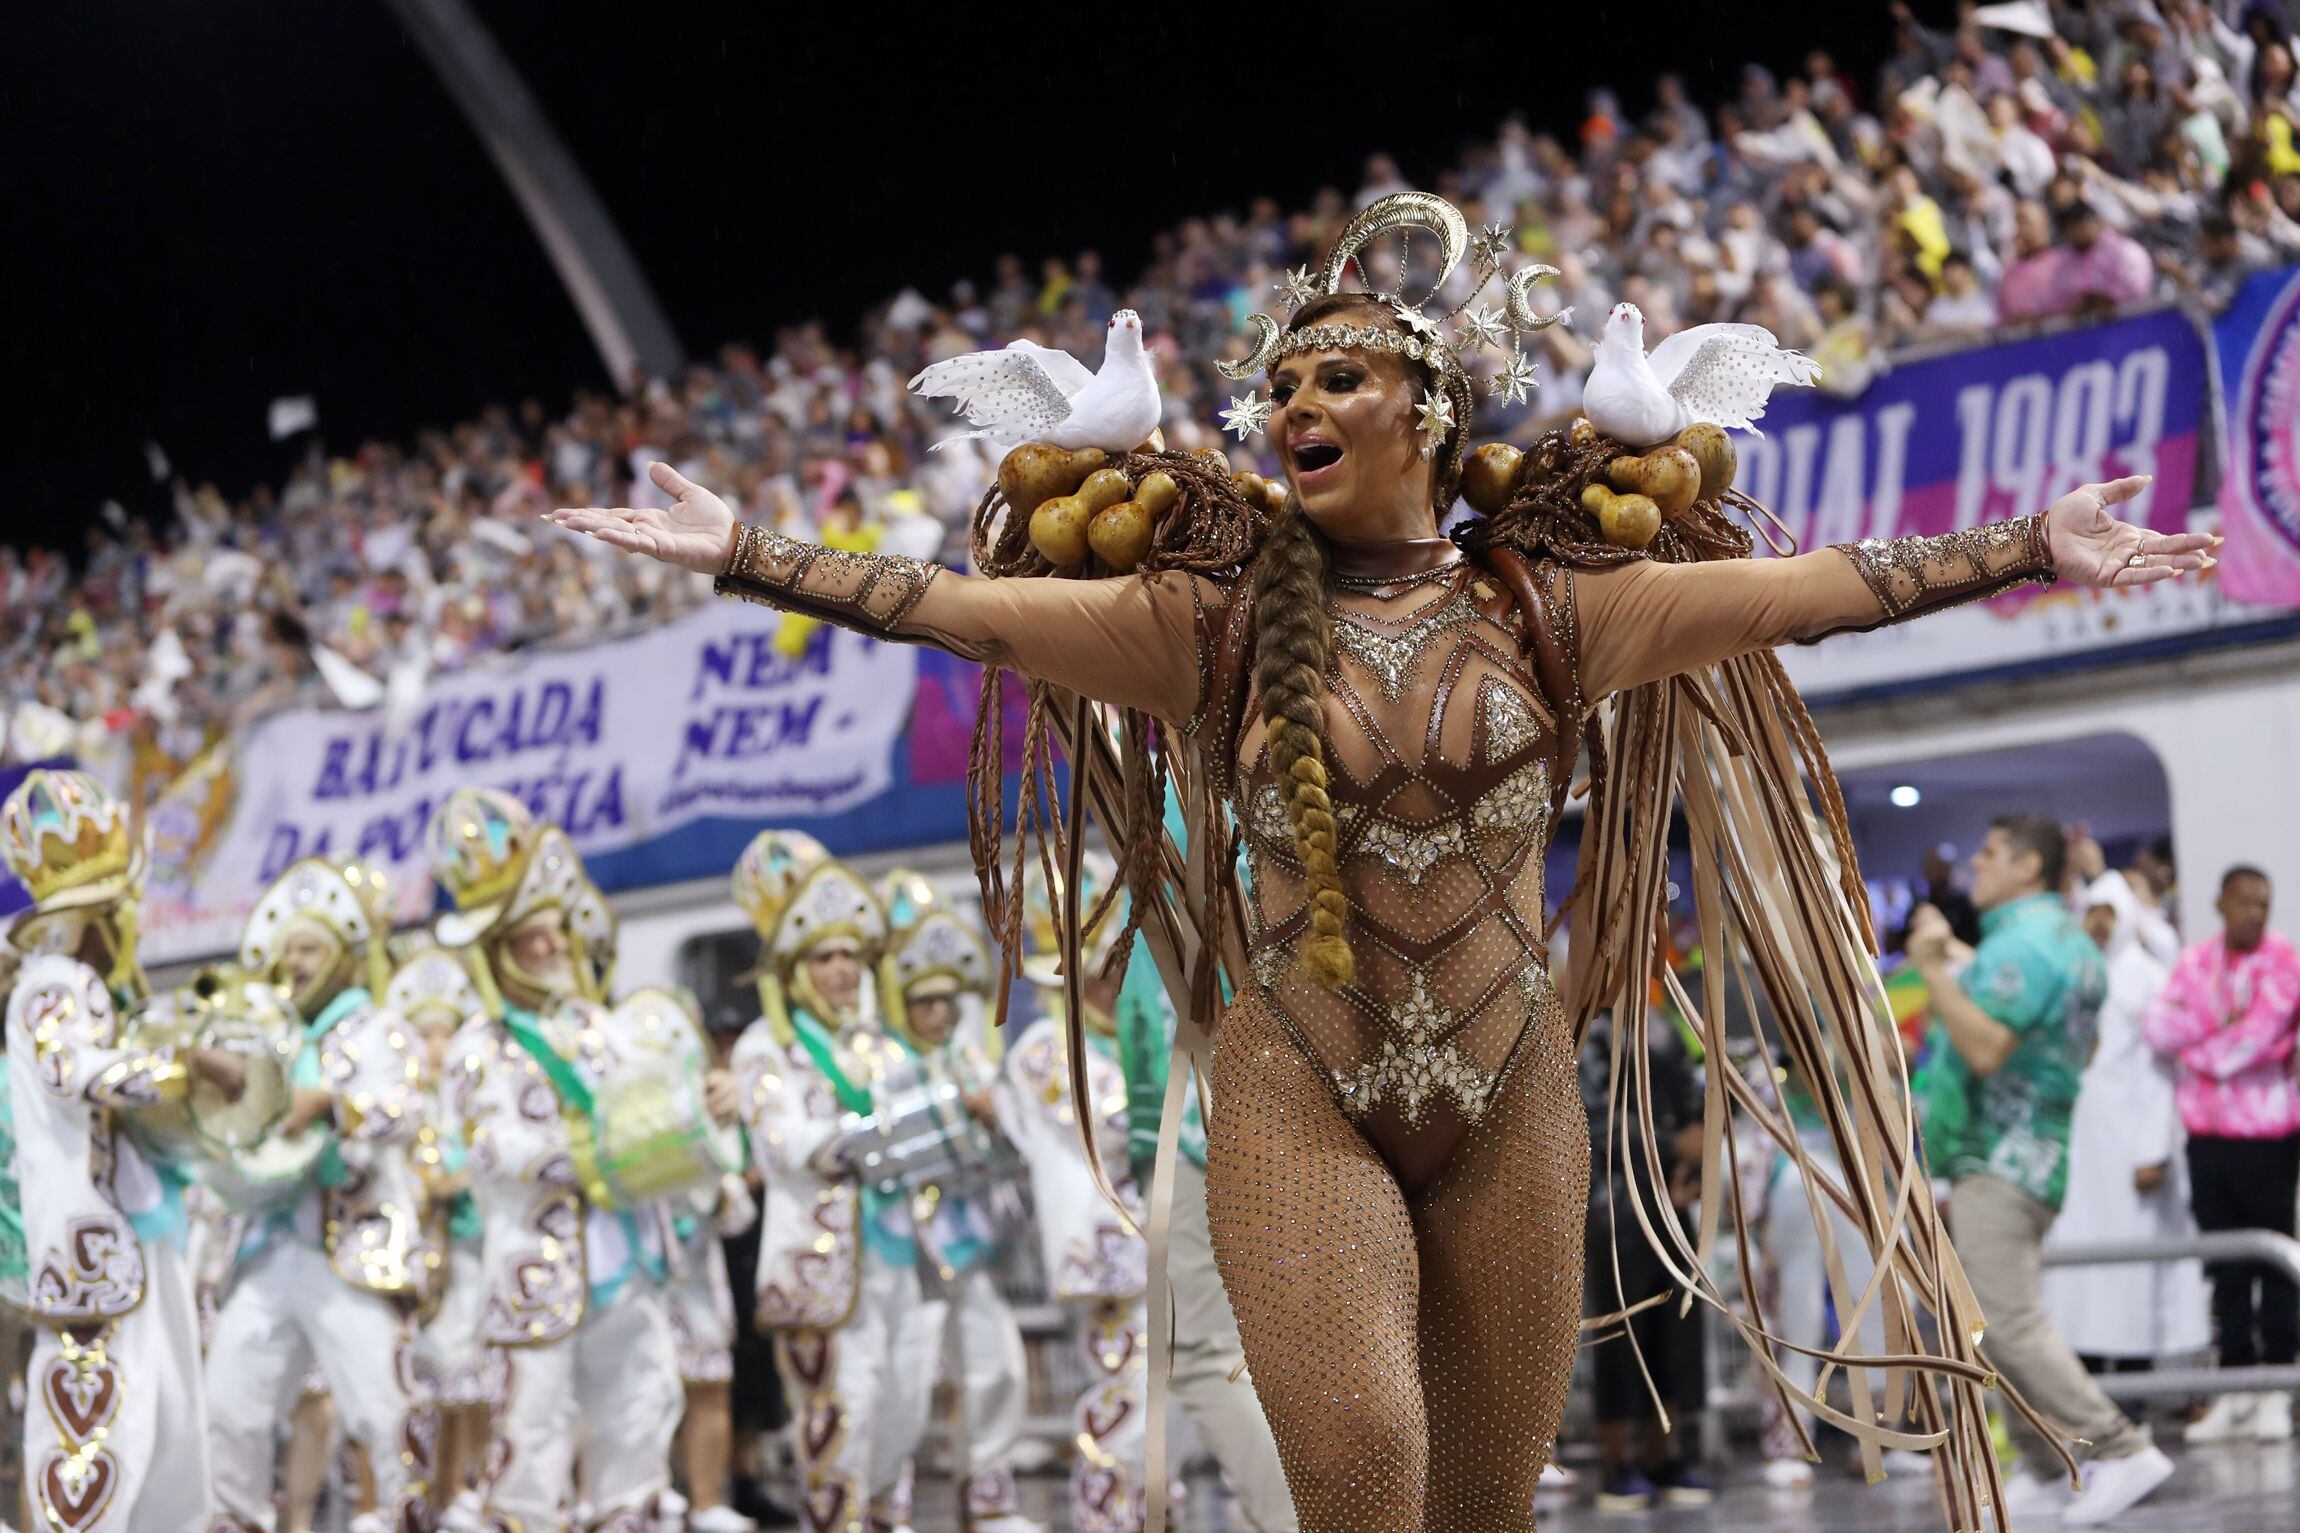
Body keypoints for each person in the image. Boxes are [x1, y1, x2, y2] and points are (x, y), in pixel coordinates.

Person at [550, 191, 2216, 1533]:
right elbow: (967, 611)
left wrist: (2030, 545)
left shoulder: (1558, 604)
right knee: (1362, 1464)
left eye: (1333, 381)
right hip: (1299, 1096)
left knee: (1485, 1512)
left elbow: (1816, 589)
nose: (1295, 409)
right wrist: (746, 554)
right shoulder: (1196, 623)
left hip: (1514, 1099)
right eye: (1279, 391)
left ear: (1426, 403)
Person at [430, 789, 691, 1531]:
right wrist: (588, 1151)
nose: (551, 946)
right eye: (530, 936)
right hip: (534, 1267)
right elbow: (487, 1146)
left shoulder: (599, 1025)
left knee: (640, 1412)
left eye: (554, 932)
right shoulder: (479, 1045)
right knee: (531, 1435)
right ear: (497, 948)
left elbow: (652, 1107)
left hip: (629, 1253)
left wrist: (706, 1106)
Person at [1907, 815, 2173, 1525]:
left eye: (1990, 853)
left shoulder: (2022, 944)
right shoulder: (2070, 944)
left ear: (2027, 866)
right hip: (2034, 1152)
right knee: (1989, 1326)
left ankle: (2119, 1446)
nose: (1975, 865)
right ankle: (2048, 1465)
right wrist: (1957, 957)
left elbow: (1988, 1043)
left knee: (2006, 1320)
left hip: (2000, 1154)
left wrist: (1931, 967)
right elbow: (2067, 1045)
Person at [3, 767, 220, 1533]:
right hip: (89, 1255)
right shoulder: (55, 979)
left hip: (123, 1240)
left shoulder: (79, 987)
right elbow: (71, 1071)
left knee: (165, 1420)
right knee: (97, 1428)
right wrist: (184, 1069)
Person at [204, 857, 436, 1533]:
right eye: (286, 950)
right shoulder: (260, 1031)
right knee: (229, 1409)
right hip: (267, 1243)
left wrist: (331, 1104)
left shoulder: (376, 1029)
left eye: (309, 948)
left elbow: (406, 1110)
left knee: (386, 1411)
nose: (295, 962)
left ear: (342, 956)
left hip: (355, 1245)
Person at [726, 831, 938, 1533]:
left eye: (852, 953)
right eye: (825, 955)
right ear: (794, 965)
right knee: (840, 1417)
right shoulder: (765, 1046)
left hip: (899, 1258)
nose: (843, 969)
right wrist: (872, 1135)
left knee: (902, 1413)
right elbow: (784, 1147)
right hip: (819, 1272)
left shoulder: (885, 1042)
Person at [872, 869, 1043, 1533]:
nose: (938, 1012)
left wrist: (994, 1114)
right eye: (924, 1001)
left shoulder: (970, 1056)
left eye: (947, 999)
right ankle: (887, 1507)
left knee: (994, 1364)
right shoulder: (878, 1064)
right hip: (900, 1253)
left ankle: (990, 1501)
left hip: (965, 1247)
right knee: (904, 1386)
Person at [1000, 865, 1153, 1533]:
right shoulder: (1043, 1050)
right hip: (1102, 1253)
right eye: (1100, 969)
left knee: (1150, 1396)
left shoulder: (1117, 1039)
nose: (1112, 985)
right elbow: (1116, 1124)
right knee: (1119, 1394)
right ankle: (1106, 1520)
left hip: (1146, 1242)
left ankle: (1144, 1512)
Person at [2144, 865, 2300, 1443]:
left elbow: (2256, 1040)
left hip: (2269, 1137)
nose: (2255, 913)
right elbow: (2157, 1027)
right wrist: (2218, 1024)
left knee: (2273, 1265)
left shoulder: (2284, 961)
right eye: (2245, 902)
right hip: (2206, 1138)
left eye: (2265, 902)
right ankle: (2235, 1388)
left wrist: (2201, 1044)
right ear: (2220, 904)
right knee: (2225, 1268)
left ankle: (2279, 1390)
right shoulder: (2195, 962)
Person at [2041, 869, 2209, 1376]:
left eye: (2108, 915)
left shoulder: (2147, 976)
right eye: (2092, 913)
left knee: (2131, 1270)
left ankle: (2135, 1394)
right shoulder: (2073, 974)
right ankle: (2086, 1385)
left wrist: (2152, 1149)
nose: (2098, 925)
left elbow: (2161, 1075)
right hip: (2081, 1149)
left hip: (2131, 1151)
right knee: (2079, 1277)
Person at [1579, 1008, 1715, 1511]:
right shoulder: (1588, 1027)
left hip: (1670, 1198)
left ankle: (1664, 1455)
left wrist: (1695, 1162)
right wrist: (1669, 1144)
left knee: (1676, 1326)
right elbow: (1590, 1118)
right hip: (1614, 1200)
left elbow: (1691, 1094)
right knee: (1621, 1332)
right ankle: (1616, 1462)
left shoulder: (1659, 1022)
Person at [389, 946, 500, 1533]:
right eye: (424, 1035)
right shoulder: (403, 1099)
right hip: (422, 1262)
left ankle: (464, 1489)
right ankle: (426, 1493)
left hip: (472, 1254)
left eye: (445, 1034)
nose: (436, 1047)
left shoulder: (471, 1099)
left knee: (471, 1377)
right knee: (427, 1382)